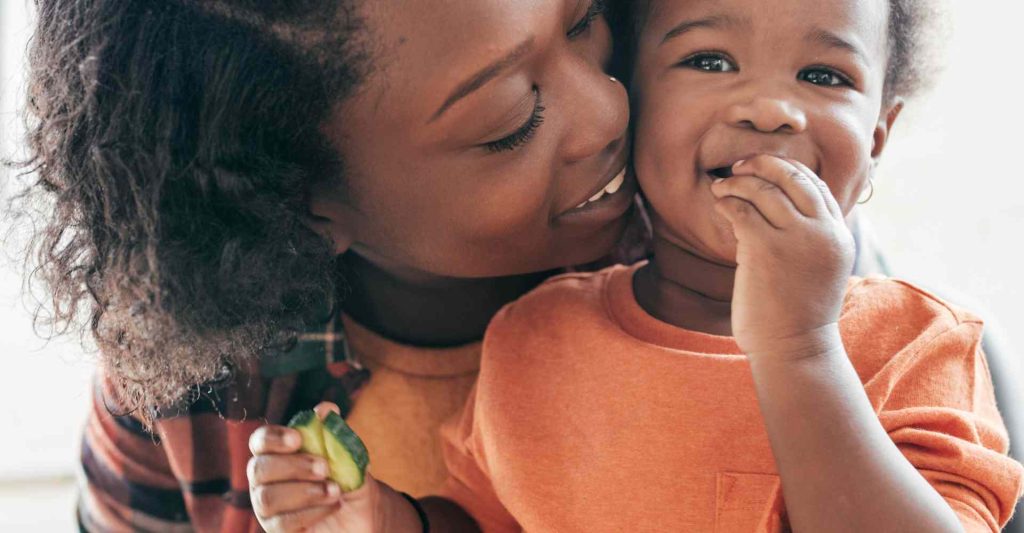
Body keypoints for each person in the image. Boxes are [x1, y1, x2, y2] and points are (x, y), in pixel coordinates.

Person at [256, 0, 1024, 530]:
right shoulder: (536, 339)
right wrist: (387, 519)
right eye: (710, 59)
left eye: (825, 77)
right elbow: (489, 516)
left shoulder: (922, 345)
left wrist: (799, 348)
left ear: (879, 139)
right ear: (636, 101)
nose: (768, 109)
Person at [17, 0, 639, 530]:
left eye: (582, 22)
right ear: (304, 202)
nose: (609, 111)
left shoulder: (715, 280)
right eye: (509, 121)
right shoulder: (185, 400)